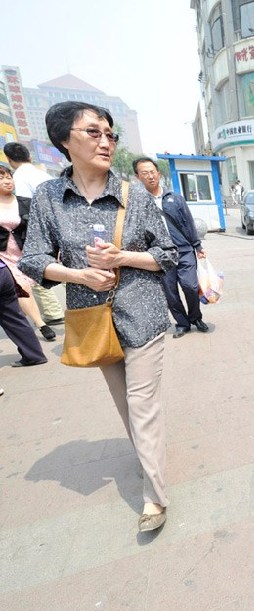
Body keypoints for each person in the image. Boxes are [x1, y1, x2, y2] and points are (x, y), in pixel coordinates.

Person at [20, 101, 178, 533]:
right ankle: (149, 459)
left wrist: (123, 256)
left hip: (142, 314)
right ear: (62, 141)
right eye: (93, 133)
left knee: (143, 404)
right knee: (124, 402)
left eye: (110, 134)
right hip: (93, 319)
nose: (106, 141)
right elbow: (34, 260)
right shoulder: (50, 198)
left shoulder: (134, 194)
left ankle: (154, 498)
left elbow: (165, 254)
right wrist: (79, 274)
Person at [134, 157, 209, 339]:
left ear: (158, 174)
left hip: (183, 250)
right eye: (145, 173)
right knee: (170, 293)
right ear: (137, 177)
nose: (150, 176)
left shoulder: (175, 198)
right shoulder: (138, 204)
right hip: (159, 255)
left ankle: (195, 317)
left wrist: (197, 246)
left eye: (153, 172)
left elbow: (188, 223)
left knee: (190, 286)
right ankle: (182, 323)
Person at [3, 142, 66, 326]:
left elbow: (24, 212)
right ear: (29, 156)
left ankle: (53, 313)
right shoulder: (41, 172)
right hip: (61, 223)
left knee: (36, 269)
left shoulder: (20, 177)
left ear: (10, 159)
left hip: (42, 229)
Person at [0, 165, 56, 342]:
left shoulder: (25, 202)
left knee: (34, 283)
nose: (7, 180)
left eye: (9, 176)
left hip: (26, 249)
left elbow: (41, 226)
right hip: (4, 253)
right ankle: (41, 324)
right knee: (21, 285)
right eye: (1, 178)